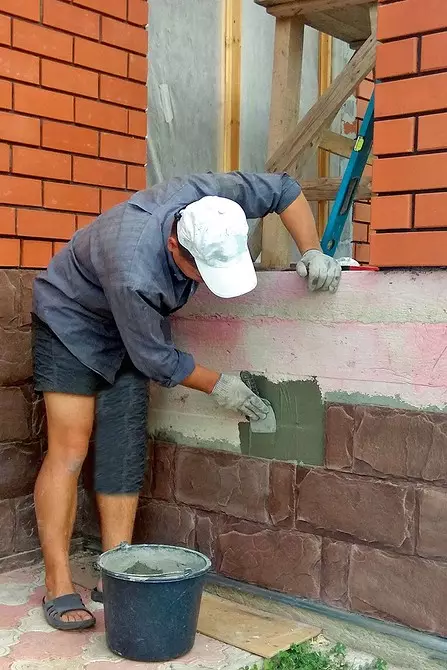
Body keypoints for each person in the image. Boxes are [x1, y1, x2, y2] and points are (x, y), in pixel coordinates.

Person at [32, 171, 341, 631]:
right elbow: (156, 359)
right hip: (72, 320)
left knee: (124, 445)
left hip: (132, 326)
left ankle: (115, 574)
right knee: (71, 448)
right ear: (176, 247)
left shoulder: (210, 203)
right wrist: (221, 384)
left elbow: (285, 189)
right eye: (201, 273)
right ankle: (57, 580)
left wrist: (312, 249)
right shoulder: (135, 268)